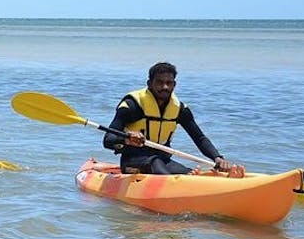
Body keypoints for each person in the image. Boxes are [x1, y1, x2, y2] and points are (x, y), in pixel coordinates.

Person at [103, 62, 244, 177]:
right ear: (149, 83)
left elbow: (199, 138)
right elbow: (108, 140)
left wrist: (217, 158)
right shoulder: (132, 106)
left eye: (169, 83)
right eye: (159, 82)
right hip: (132, 161)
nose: (165, 87)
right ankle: (171, 185)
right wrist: (126, 139)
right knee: (155, 162)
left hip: (164, 161)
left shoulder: (180, 109)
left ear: (174, 85)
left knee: (189, 174)